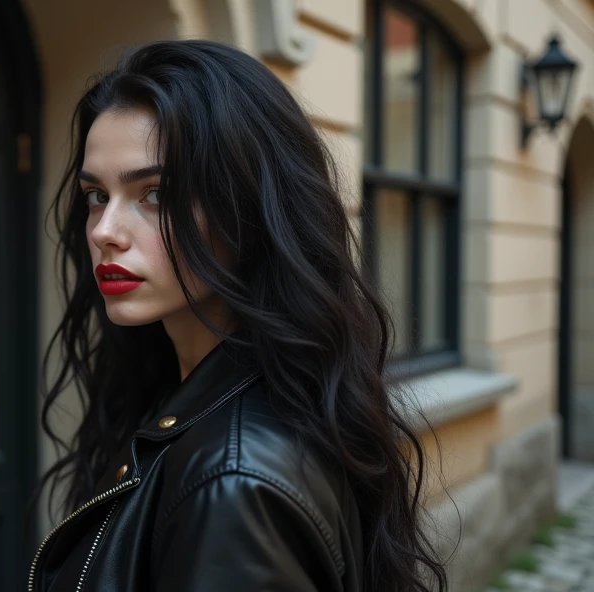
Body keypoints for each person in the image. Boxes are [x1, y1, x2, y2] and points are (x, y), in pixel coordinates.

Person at [28, 40, 448, 592]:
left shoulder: (233, 484)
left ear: (251, 206)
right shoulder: (195, 396)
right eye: (96, 196)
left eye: (154, 193)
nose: (105, 231)